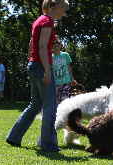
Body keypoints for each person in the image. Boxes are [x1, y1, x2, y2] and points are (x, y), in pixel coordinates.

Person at [6, 0, 69, 152]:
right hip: (41, 67)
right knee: (50, 106)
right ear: (54, 6)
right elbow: (41, 47)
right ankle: (47, 144)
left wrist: (34, 60)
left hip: (34, 65)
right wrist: (47, 70)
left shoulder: (39, 20)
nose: (64, 13)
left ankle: (14, 137)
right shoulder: (47, 22)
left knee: (34, 105)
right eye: (63, 9)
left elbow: (31, 45)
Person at [52, 38, 76, 104]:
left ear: (60, 46)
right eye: (54, 45)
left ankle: (65, 114)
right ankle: (58, 114)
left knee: (65, 100)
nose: (56, 47)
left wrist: (72, 79)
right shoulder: (50, 57)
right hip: (55, 83)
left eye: (58, 45)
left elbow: (69, 68)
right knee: (56, 102)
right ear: (52, 46)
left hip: (66, 82)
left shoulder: (65, 55)